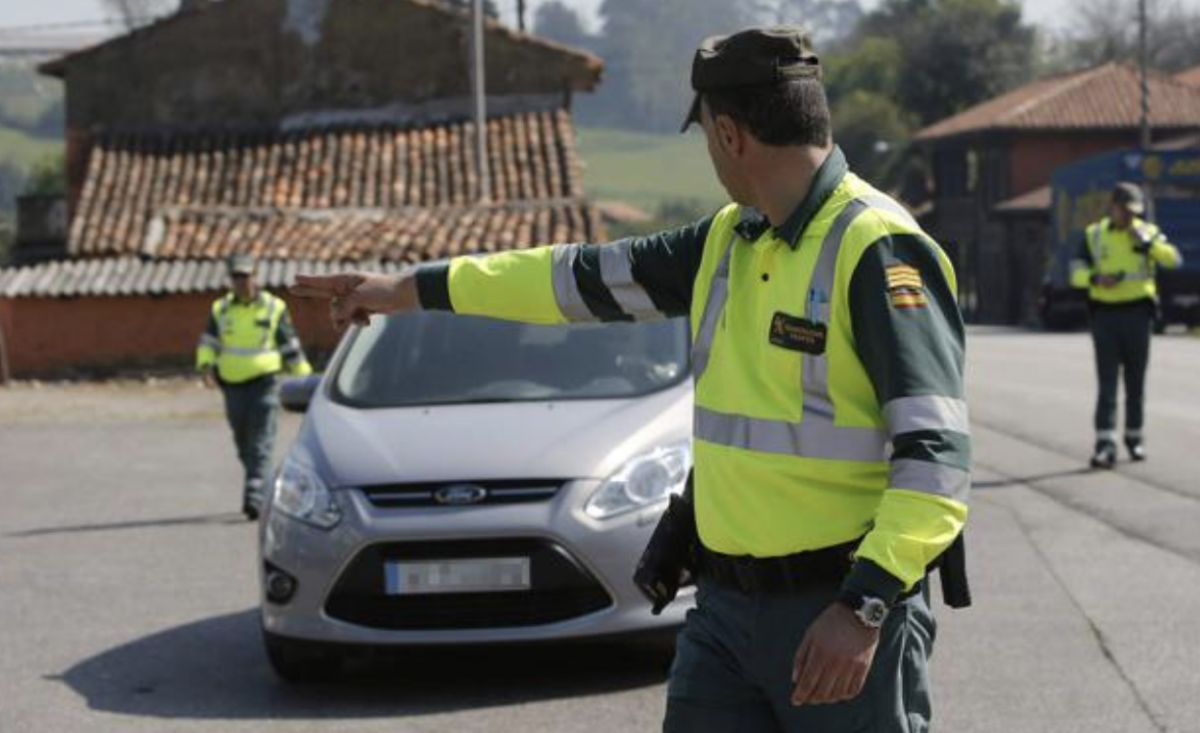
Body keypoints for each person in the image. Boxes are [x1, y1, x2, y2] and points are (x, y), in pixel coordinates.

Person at [293, 26, 968, 733]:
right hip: (725, 613)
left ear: (729, 134)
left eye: (707, 137)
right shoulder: (726, 240)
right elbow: (569, 280)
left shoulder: (877, 247)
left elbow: (938, 460)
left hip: (837, 614)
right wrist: (408, 290)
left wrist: (864, 608)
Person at [1071, 182, 1182, 469]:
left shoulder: (1148, 232)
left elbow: (1173, 260)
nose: (1130, 216)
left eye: (1135, 211)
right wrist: (1096, 279)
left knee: (1136, 382)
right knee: (1107, 383)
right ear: (1113, 207)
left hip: (1138, 315)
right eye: (1125, 210)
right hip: (1105, 316)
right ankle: (1105, 444)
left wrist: (1147, 243)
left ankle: (1134, 437)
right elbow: (1075, 272)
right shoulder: (1094, 234)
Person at [197, 254, 312, 520]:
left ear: (256, 276)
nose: (242, 281)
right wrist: (205, 366)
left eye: (246, 275)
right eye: (237, 276)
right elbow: (209, 342)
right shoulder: (220, 309)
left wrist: (306, 381)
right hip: (232, 384)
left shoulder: (274, 307)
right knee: (243, 439)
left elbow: (289, 346)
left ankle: (255, 497)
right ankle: (260, 485)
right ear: (230, 279)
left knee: (260, 439)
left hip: (265, 382)